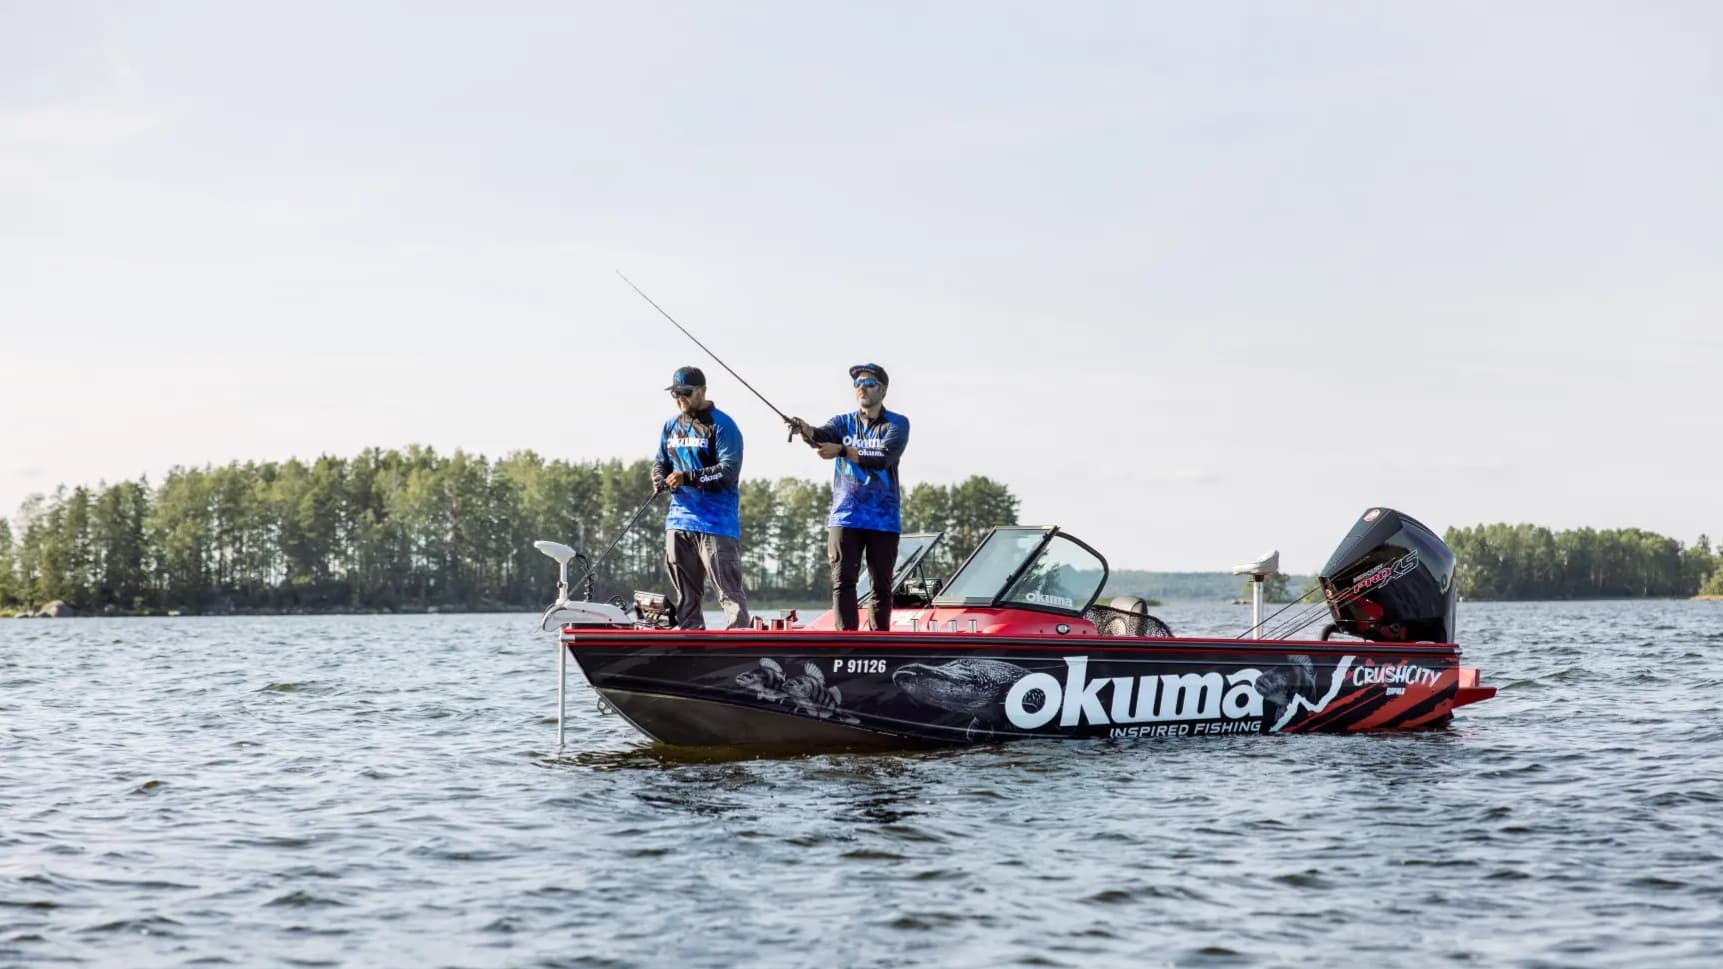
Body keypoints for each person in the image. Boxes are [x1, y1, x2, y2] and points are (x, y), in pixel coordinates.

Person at [787, 363, 910, 631]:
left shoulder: (897, 423)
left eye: (869, 383)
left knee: (881, 587)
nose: (862, 388)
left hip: (883, 519)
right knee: (843, 583)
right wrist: (804, 429)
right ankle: (846, 642)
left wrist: (842, 450)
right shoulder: (841, 422)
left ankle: (879, 644)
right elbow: (820, 436)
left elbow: (883, 457)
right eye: (858, 383)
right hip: (846, 516)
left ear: (883, 390)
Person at [653, 366, 750, 630]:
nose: (680, 399)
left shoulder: (723, 425)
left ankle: (740, 640)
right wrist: (659, 478)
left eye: (686, 392)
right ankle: (689, 640)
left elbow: (729, 471)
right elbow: (660, 462)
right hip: (678, 521)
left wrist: (688, 477)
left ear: (702, 390)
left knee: (729, 594)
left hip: (716, 524)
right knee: (686, 598)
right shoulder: (671, 426)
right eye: (675, 394)